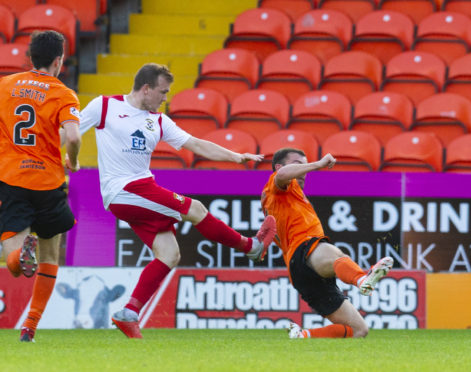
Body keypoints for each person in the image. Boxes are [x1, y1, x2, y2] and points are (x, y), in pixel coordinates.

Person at [79, 63, 276, 339]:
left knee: (170, 254)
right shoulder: (104, 106)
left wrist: (235, 156)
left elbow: (196, 144)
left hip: (141, 188)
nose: (165, 98)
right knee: (195, 208)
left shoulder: (158, 120)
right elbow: (70, 129)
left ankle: (129, 313)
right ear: (146, 89)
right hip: (122, 190)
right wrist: (66, 155)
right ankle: (251, 247)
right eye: (162, 92)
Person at [0, 30, 82, 342]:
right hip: (47, 182)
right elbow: (73, 136)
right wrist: (72, 159)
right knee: (50, 256)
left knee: (15, 264)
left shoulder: (5, 85)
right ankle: (30, 327)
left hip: (11, 179)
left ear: (30, 58)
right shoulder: (62, 93)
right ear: (59, 60)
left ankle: (19, 255)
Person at [261, 148, 394, 339]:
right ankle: (363, 279)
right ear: (279, 167)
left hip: (299, 274)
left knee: (359, 330)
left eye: (305, 167)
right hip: (303, 250)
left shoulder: (281, 199)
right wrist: (318, 164)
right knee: (335, 256)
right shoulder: (278, 186)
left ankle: (302, 336)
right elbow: (281, 175)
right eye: (299, 165)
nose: (304, 171)